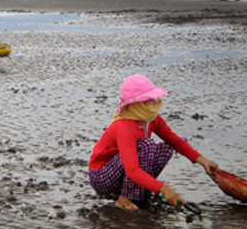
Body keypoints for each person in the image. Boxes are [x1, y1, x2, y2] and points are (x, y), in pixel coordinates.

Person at [88, 75, 218, 211]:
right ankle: (124, 198)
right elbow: (132, 171)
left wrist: (203, 161)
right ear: (137, 104)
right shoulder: (125, 127)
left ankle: (138, 192)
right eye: (150, 99)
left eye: (155, 98)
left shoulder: (152, 120)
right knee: (146, 146)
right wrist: (163, 189)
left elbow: (175, 141)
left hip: (121, 172)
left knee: (165, 148)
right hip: (102, 177)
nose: (157, 101)